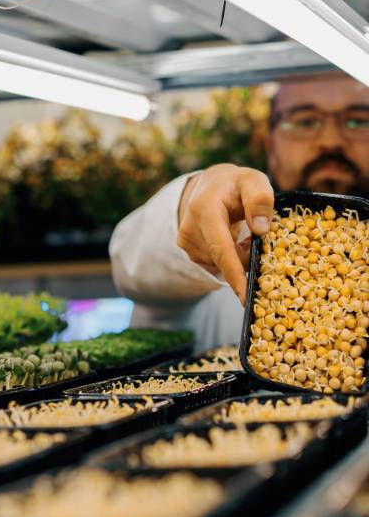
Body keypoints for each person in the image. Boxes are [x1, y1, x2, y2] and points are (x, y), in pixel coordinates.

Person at [109, 73, 369, 352]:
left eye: (358, 121)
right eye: (305, 120)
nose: (330, 140)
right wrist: (192, 202)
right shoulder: (241, 229)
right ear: (269, 144)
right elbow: (134, 265)